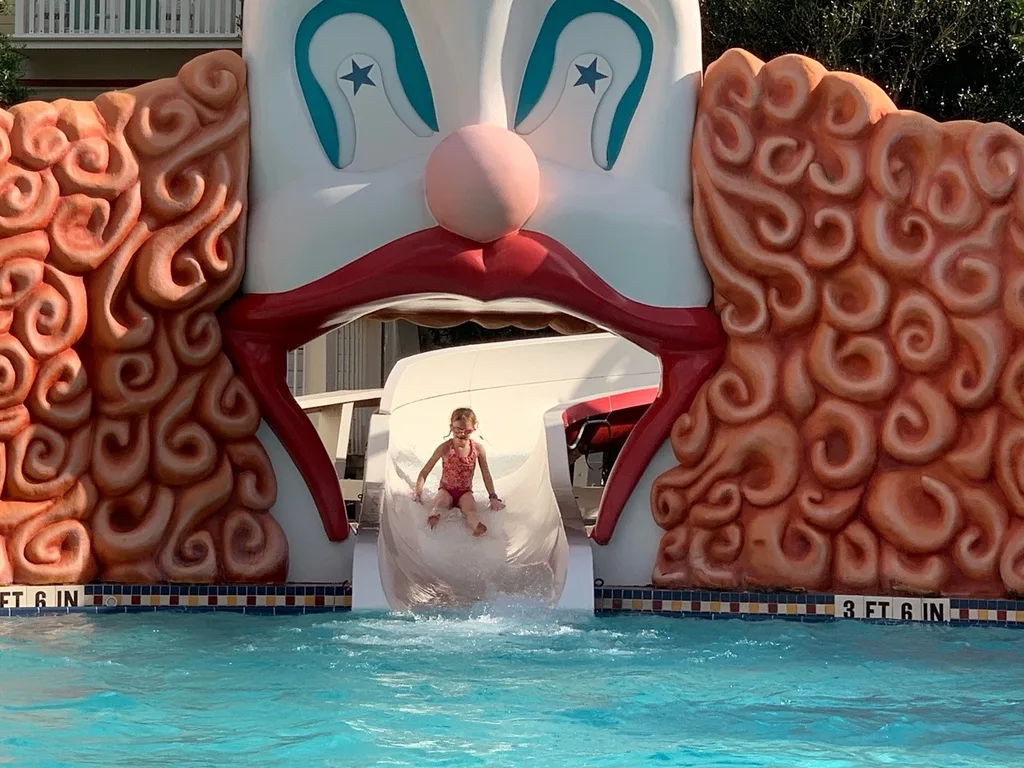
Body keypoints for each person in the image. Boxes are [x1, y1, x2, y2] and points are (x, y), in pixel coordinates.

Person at [413, 407, 505, 536]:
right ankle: (433, 520)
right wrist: (417, 493)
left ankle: (476, 527)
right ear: (451, 427)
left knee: (470, 509)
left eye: (467, 431)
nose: (462, 434)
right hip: (446, 489)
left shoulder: (477, 449)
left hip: (465, 492)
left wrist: (493, 497)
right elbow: (425, 471)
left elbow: (486, 474)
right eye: (457, 430)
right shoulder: (445, 448)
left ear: (474, 428)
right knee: (440, 503)